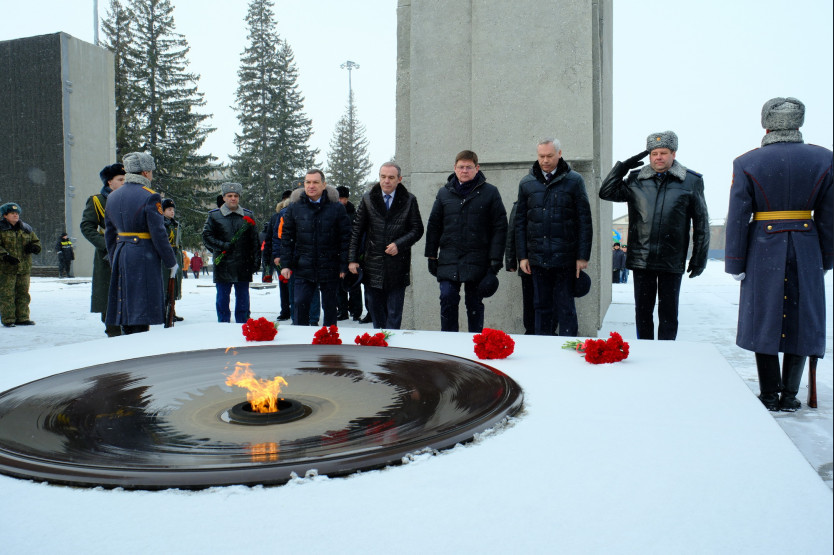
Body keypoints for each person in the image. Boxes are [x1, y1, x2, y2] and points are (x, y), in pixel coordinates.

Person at [725, 97, 833, 412]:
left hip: (762, 248)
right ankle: (789, 395)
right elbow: (828, 217)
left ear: (767, 123)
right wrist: (826, 258)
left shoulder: (747, 162)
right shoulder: (824, 159)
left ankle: (770, 395)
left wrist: (735, 260)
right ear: (799, 122)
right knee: (802, 319)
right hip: (807, 245)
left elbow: (738, 215)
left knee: (765, 318)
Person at [599, 131, 709, 340]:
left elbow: (701, 222)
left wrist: (699, 258)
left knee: (668, 314)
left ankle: (666, 355)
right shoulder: (636, 179)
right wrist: (623, 167)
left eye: (663, 153)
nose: (658, 157)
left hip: (671, 259)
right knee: (643, 314)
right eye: (654, 153)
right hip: (642, 259)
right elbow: (606, 192)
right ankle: (645, 351)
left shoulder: (690, 181)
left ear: (673, 154)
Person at [515, 138, 592, 336]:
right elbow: (520, 223)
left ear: (559, 153)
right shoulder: (527, 183)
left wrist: (582, 256)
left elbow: (584, 220)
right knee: (541, 307)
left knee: (566, 307)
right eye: (541, 156)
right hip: (537, 259)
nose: (545, 160)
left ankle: (568, 352)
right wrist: (522, 256)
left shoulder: (574, 181)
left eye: (549, 156)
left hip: (565, 258)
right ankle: (543, 351)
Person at [425, 150, 507, 333]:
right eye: (461, 167)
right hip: (449, 259)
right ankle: (449, 343)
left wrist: (495, 262)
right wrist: (431, 256)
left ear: (477, 169)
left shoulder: (490, 192)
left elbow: (500, 227)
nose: (464, 171)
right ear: (454, 168)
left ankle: (474, 343)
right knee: (447, 298)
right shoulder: (444, 193)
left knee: (474, 303)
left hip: (478, 260)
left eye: (469, 167)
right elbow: (434, 225)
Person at [104, 152, 177, 335]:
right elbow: (158, 233)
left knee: (125, 305)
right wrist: (171, 261)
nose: (152, 174)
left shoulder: (113, 196)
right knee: (141, 307)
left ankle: (127, 339)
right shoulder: (150, 196)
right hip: (143, 254)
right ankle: (138, 347)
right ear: (145, 173)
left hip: (121, 252)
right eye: (151, 171)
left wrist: (115, 258)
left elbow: (110, 233)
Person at [348, 162, 424, 329]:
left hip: (397, 266)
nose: (386, 181)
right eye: (383, 177)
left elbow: (417, 229)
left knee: (394, 315)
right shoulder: (368, 199)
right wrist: (352, 259)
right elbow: (356, 231)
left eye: (391, 177)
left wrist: (399, 244)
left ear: (399, 179)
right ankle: (379, 347)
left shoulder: (409, 200)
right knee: (377, 315)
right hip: (372, 266)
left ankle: (392, 349)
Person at [280, 169, 351, 326]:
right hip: (303, 265)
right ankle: (300, 341)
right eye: (308, 182)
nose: (311, 186)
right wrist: (285, 264)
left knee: (330, 306)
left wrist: (343, 264)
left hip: (330, 265)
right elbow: (287, 238)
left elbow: (345, 238)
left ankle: (329, 340)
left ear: (324, 185)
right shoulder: (294, 208)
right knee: (300, 304)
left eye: (315, 182)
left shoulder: (337, 208)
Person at [202, 183, 260, 323]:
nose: (233, 198)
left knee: (243, 298)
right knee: (222, 298)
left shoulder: (248, 215)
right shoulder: (215, 216)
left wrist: (256, 261)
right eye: (229, 196)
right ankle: (223, 323)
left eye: (235, 196)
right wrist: (222, 246)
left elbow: (254, 241)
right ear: (224, 197)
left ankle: (243, 323)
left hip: (243, 264)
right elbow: (207, 237)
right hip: (223, 264)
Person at [80, 163, 126, 337]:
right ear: (109, 182)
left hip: (130, 252)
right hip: (108, 255)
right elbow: (87, 226)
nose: (124, 182)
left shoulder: (129, 199)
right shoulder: (97, 201)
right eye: (120, 179)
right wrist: (106, 245)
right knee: (110, 294)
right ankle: (113, 330)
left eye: (125, 179)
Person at [0, 202, 41, 327]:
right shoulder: (1, 229)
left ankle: (22, 317)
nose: (15, 215)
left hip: (24, 267)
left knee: (23, 293)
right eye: (12, 213)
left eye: (17, 213)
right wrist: (5, 255)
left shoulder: (26, 228)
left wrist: (34, 247)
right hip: (6, 268)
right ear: (5, 215)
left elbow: (36, 242)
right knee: (7, 294)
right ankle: (8, 319)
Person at [504, 200, 535, 335]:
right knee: (529, 301)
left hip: (550, 264)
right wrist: (511, 262)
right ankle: (531, 330)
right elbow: (512, 232)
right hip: (527, 263)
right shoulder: (521, 204)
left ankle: (549, 330)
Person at [336, 185, 363, 321]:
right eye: (340, 198)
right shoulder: (334, 212)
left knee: (353, 284)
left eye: (344, 198)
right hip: (338, 252)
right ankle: (342, 310)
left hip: (352, 252)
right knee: (339, 285)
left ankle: (356, 310)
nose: (342, 201)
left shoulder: (353, 213)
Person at [266, 190, 293, 320]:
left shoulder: (278, 215)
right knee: (285, 284)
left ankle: (287, 310)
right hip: (281, 255)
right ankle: (287, 309)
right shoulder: (277, 217)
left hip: (281, 254)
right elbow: (272, 237)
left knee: (286, 284)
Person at [162, 198, 184, 322]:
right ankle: (164, 312)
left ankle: (171, 311)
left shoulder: (175, 224)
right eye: (169, 209)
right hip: (165, 257)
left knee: (174, 285)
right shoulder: (161, 224)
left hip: (176, 256)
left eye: (173, 210)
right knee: (165, 285)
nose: (172, 212)